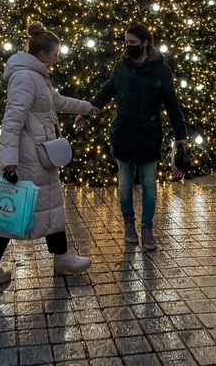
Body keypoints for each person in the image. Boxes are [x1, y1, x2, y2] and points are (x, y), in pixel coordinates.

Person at [0, 21, 99, 288]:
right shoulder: (25, 78)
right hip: (29, 157)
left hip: (40, 154)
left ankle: (58, 257)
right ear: (42, 54)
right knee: (15, 211)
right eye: (55, 53)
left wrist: (87, 107)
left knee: (45, 207)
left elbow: (57, 101)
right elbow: (12, 120)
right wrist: (8, 161)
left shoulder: (37, 76)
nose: (57, 58)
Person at [76, 24, 188, 251]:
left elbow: (172, 105)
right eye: (126, 42)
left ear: (145, 43)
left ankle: (147, 227)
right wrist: (88, 112)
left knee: (149, 183)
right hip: (124, 134)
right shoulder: (121, 67)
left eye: (133, 43)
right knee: (125, 183)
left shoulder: (160, 71)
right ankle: (129, 223)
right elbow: (107, 91)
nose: (128, 46)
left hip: (149, 135)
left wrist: (181, 136)